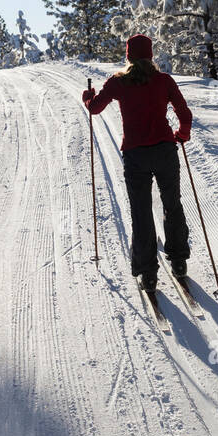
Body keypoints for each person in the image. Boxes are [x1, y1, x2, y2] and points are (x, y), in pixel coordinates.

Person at [82, 34, 191, 294]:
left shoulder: (119, 82)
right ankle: (178, 262)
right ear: (150, 55)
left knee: (141, 211)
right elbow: (184, 113)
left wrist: (88, 96)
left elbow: (95, 109)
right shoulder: (163, 80)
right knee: (172, 203)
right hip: (165, 150)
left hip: (136, 154)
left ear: (129, 55)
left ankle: (148, 273)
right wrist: (181, 135)